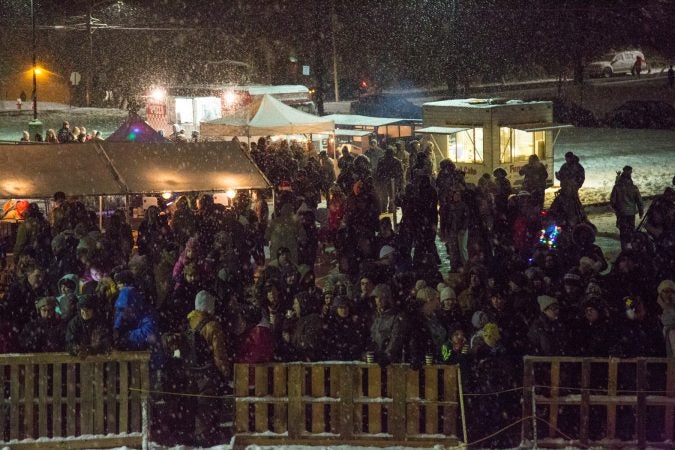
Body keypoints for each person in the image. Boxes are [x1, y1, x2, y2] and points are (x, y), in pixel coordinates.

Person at [183, 290, 231, 446]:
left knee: (194, 405)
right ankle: (205, 438)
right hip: (207, 373)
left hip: (190, 371)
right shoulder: (213, 326)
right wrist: (225, 372)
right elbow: (219, 354)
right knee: (207, 407)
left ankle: (191, 436)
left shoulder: (189, 322)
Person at [610, 166, 644, 251]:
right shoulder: (634, 188)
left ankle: (624, 250)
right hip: (631, 213)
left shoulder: (617, 187)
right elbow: (639, 201)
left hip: (622, 213)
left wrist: (617, 209)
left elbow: (612, 201)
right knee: (631, 231)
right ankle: (631, 249)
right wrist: (641, 211)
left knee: (623, 232)